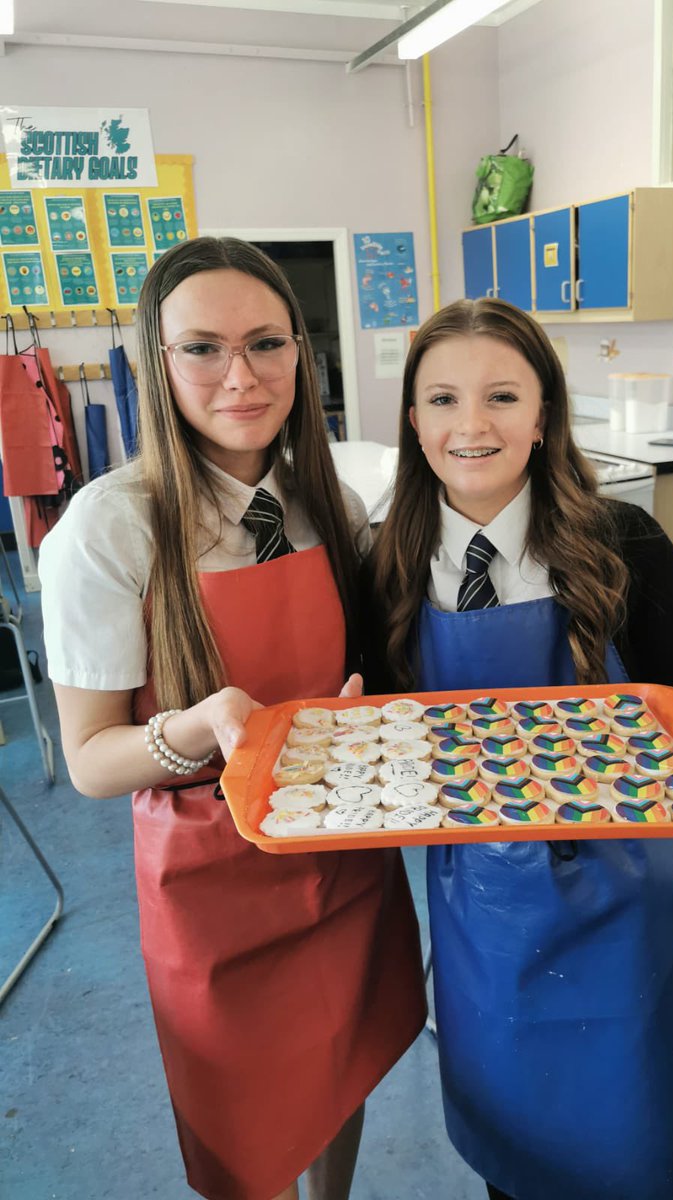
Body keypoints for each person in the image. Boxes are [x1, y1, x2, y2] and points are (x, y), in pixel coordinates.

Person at [39, 237, 426, 1200]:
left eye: (266, 343)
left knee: (341, 1076)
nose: (242, 376)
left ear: (302, 352)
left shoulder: (323, 501)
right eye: (203, 347)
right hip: (214, 884)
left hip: (342, 856)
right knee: (241, 1133)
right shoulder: (109, 526)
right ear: (156, 362)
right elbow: (90, 760)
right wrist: (201, 727)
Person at [367, 297, 673, 1200]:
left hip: (624, 909)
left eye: (502, 397)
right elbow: (385, 741)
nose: (471, 425)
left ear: (545, 416)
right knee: (517, 1156)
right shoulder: (387, 564)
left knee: (628, 1142)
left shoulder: (627, 547)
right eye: (442, 400)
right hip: (484, 912)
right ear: (413, 422)